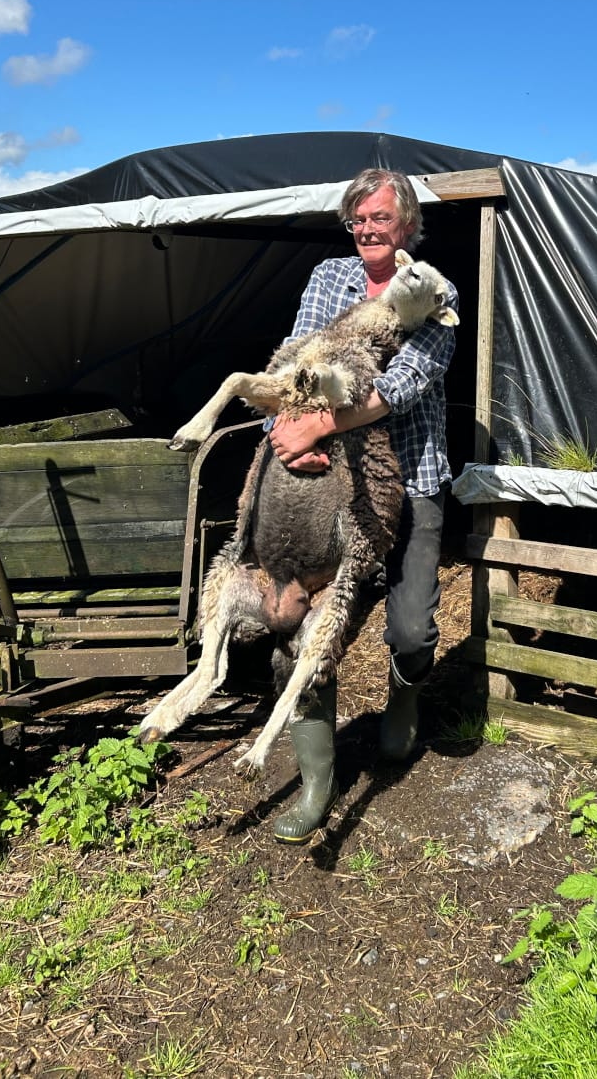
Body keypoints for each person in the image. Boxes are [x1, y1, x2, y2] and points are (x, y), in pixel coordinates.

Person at [266, 168, 458, 844]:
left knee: (411, 627)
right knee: (302, 625)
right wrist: (286, 435)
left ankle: (403, 699)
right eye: (359, 219)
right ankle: (318, 782)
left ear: (407, 225)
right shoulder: (328, 279)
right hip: (332, 483)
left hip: (410, 478)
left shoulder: (432, 292)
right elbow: (298, 359)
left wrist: (321, 423)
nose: (369, 229)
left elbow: (402, 386)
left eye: (381, 217)